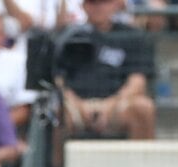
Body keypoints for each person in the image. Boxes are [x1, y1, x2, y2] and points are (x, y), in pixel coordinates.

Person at [55, 0, 156, 140]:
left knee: (143, 108)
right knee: (54, 112)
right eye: (93, 2)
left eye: (105, 2)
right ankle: (54, 163)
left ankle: (143, 161)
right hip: (75, 104)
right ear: (83, 5)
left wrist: (110, 105)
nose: (99, 7)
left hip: (118, 104)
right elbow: (58, 78)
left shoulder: (133, 36)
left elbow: (137, 81)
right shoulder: (69, 36)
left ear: (116, 4)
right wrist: (77, 104)